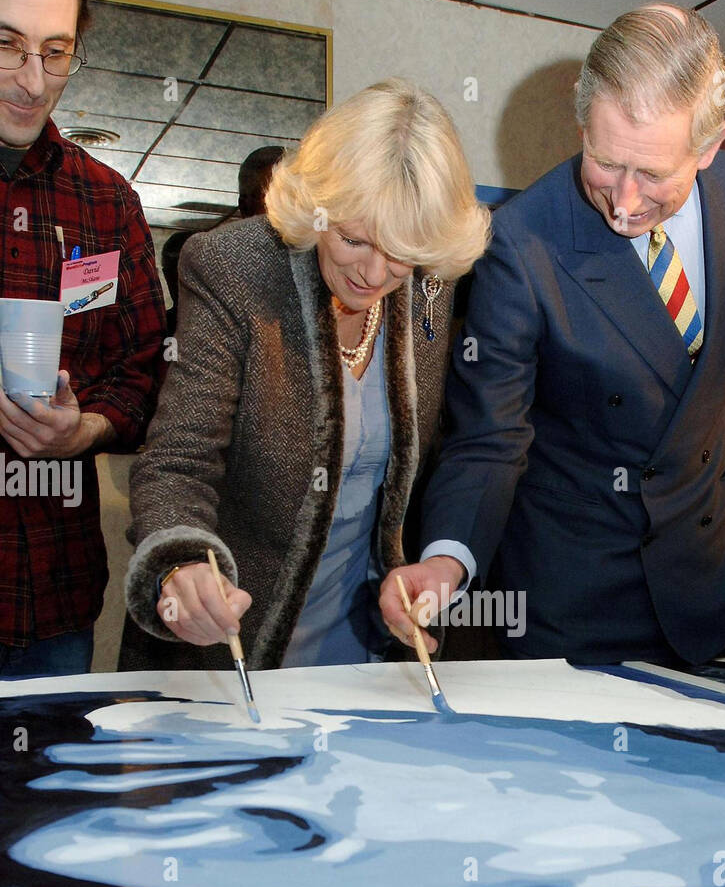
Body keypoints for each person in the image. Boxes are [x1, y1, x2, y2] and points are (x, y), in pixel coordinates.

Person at [380, 4, 725, 667]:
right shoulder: (520, 238)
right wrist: (447, 559)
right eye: (603, 161)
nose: (623, 202)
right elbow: (490, 433)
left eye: (652, 174)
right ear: (581, 121)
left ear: (709, 148)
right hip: (579, 591)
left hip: (718, 569)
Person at [121, 79, 489, 671]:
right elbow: (178, 462)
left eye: (401, 253)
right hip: (233, 637)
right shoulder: (234, 268)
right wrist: (182, 564)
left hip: (363, 639)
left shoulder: (425, 284)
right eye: (352, 239)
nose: (374, 274)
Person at [0, 0, 165, 678]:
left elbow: (144, 374)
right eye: (6, 44)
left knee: (47, 791)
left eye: (56, 49)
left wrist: (85, 428)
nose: (34, 80)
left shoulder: (106, 203)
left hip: (49, 599)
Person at [162, 146, 285, 336]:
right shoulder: (220, 272)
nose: (294, 213)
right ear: (246, 205)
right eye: (277, 200)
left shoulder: (327, 266)